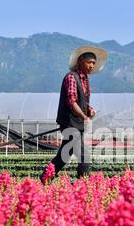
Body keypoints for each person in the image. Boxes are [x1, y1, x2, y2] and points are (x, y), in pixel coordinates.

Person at [40, 46, 108, 181]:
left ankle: (45, 179)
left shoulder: (85, 81)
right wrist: (84, 116)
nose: (91, 66)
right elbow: (71, 101)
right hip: (70, 123)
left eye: (94, 63)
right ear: (80, 61)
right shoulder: (71, 77)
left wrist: (89, 109)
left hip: (77, 124)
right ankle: (83, 185)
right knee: (84, 156)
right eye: (89, 62)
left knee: (63, 156)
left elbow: (81, 101)